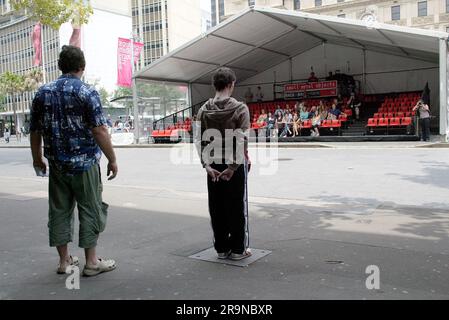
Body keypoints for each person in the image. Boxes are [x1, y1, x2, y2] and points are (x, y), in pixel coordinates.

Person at [29, 45, 118, 277]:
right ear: (82, 66)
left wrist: (37, 158)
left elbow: (35, 131)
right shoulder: (87, 92)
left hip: (57, 165)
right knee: (90, 209)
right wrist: (112, 159)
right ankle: (91, 262)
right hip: (85, 164)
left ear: (60, 66)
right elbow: (99, 130)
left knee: (59, 211)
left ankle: (64, 261)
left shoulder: (42, 93)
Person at [195, 67, 251, 261]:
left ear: (214, 85)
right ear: (231, 84)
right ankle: (237, 250)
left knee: (216, 207)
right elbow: (242, 139)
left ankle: (221, 249)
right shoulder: (240, 108)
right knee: (236, 207)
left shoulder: (203, 110)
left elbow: (198, 139)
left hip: (213, 163)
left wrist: (207, 165)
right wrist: (234, 167)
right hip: (233, 166)